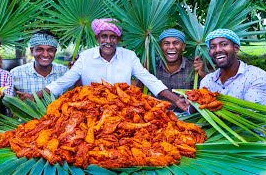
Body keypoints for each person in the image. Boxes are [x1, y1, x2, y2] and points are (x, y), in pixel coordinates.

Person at [18, 18, 189, 111]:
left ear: (118, 39)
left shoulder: (128, 56)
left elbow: (148, 79)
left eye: (112, 37)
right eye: (104, 37)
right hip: (90, 110)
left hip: (123, 110)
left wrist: (176, 100)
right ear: (97, 39)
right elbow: (64, 81)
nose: (108, 41)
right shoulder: (85, 57)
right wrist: (35, 96)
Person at [200, 29, 266, 105]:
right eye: (212, 47)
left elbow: (251, 112)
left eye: (224, 44)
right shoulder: (208, 81)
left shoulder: (257, 76)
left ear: (236, 48)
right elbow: (200, 106)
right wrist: (190, 105)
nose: (217, 50)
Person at [155, 29, 206, 112]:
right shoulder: (153, 66)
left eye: (176, 43)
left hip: (188, 117)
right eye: (166, 43)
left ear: (183, 47)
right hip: (157, 115)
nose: (171, 47)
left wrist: (203, 74)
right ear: (160, 47)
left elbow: (208, 92)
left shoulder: (195, 66)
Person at [10, 29, 68, 95]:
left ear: (55, 52)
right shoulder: (16, 73)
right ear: (32, 51)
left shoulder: (64, 72)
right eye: (40, 49)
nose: (45, 55)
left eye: (50, 50)